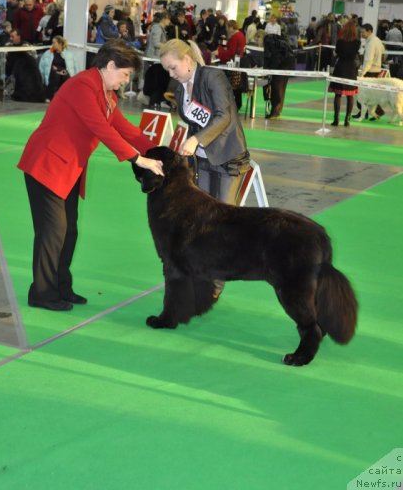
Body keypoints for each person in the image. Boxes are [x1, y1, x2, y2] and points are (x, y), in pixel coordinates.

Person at [17, 40, 164, 312]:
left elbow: (125, 129)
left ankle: (61, 287)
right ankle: (42, 292)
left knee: (68, 231)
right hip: (46, 165)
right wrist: (137, 158)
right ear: (110, 66)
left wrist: (161, 153)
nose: (126, 81)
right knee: (53, 232)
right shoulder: (82, 85)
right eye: (125, 74)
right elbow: (100, 128)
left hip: (68, 169)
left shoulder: (108, 95)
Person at [159, 38, 250, 301]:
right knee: (201, 222)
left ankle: (216, 285)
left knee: (221, 223)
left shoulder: (213, 77)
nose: (171, 74)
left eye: (173, 67)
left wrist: (197, 140)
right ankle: (202, 277)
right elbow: (191, 123)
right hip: (202, 160)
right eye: (167, 69)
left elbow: (224, 116)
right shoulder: (179, 90)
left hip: (227, 158)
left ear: (187, 60)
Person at [329, 21, 361, 127]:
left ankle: (336, 119)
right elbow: (355, 54)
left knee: (338, 95)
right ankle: (347, 120)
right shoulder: (357, 42)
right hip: (351, 70)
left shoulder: (340, 42)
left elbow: (337, 53)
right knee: (350, 96)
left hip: (340, 68)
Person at [354, 22, 386, 120]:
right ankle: (370, 113)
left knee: (362, 94)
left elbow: (368, 60)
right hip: (376, 70)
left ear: (369, 31)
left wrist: (362, 73)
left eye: (363, 32)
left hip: (370, 71)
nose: (361, 34)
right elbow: (383, 54)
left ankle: (373, 112)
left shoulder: (371, 43)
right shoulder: (377, 40)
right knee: (371, 95)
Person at [263, 34, 296, 119]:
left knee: (276, 87)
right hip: (289, 61)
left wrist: (266, 69)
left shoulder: (267, 41)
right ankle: (278, 110)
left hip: (281, 63)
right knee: (282, 87)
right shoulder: (277, 39)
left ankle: (274, 112)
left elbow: (269, 56)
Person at [39, 36, 79, 100]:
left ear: (60, 44)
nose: (52, 45)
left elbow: (75, 68)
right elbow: (42, 67)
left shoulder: (69, 55)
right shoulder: (47, 54)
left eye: (54, 43)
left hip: (64, 73)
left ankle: (66, 97)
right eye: (52, 43)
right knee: (55, 76)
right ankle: (51, 96)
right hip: (53, 74)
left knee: (66, 76)